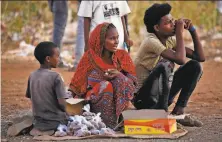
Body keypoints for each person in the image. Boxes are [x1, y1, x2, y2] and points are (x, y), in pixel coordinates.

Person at [133, 3, 205, 115]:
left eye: (173, 20)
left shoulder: (169, 40)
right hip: (143, 100)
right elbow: (180, 59)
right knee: (165, 64)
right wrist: (179, 33)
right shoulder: (150, 41)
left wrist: (192, 30)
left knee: (195, 66)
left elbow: (199, 57)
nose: (173, 24)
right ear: (157, 28)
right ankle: (162, 113)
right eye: (168, 23)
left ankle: (179, 110)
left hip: (161, 97)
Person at [69, 23, 137, 129]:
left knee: (120, 79)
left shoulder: (122, 56)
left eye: (117, 38)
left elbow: (132, 82)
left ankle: (121, 119)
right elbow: (76, 87)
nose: (116, 42)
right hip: (93, 104)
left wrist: (118, 75)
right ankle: (108, 123)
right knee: (106, 85)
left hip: (119, 104)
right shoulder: (89, 58)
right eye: (112, 38)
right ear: (101, 40)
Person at [26, 42, 71, 135]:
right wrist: (71, 112)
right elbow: (62, 105)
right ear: (48, 59)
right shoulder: (56, 76)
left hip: (38, 122)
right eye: (57, 56)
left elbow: (32, 97)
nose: (59, 59)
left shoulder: (32, 75)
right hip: (56, 122)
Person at [48, 0, 68, 68]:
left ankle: (54, 58)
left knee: (58, 30)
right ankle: (56, 59)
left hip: (55, 3)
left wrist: (50, 4)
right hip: (60, 3)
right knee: (59, 30)